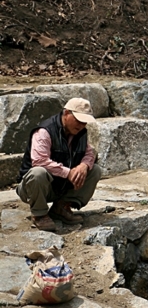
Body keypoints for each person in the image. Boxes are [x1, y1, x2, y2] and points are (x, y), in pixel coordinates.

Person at [17, 97, 102, 232]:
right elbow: (39, 160)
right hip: (33, 188)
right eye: (78, 120)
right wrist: (68, 173)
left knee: (95, 170)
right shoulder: (45, 131)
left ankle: (61, 207)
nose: (81, 125)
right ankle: (39, 214)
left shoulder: (80, 133)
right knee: (38, 172)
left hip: (60, 186)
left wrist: (83, 166)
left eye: (84, 122)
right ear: (67, 113)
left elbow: (90, 152)